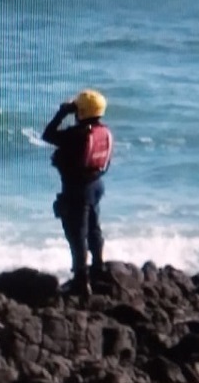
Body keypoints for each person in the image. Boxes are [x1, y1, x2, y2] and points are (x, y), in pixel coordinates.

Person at [42, 89, 113, 297]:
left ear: (80, 111)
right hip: (96, 186)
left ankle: (81, 281)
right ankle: (98, 268)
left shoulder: (77, 135)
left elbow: (48, 135)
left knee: (77, 236)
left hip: (76, 190)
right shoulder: (103, 132)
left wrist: (62, 112)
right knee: (93, 229)